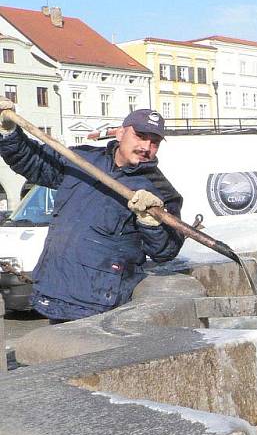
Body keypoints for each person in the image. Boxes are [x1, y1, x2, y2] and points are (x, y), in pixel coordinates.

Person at [0, 103, 184, 322]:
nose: (146, 146)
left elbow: (166, 251)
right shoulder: (83, 160)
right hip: (56, 290)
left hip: (102, 304)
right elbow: (33, 162)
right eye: (140, 136)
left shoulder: (160, 190)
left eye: (154, 142)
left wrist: (150, 222)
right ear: (121, 132)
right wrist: (9, 133)